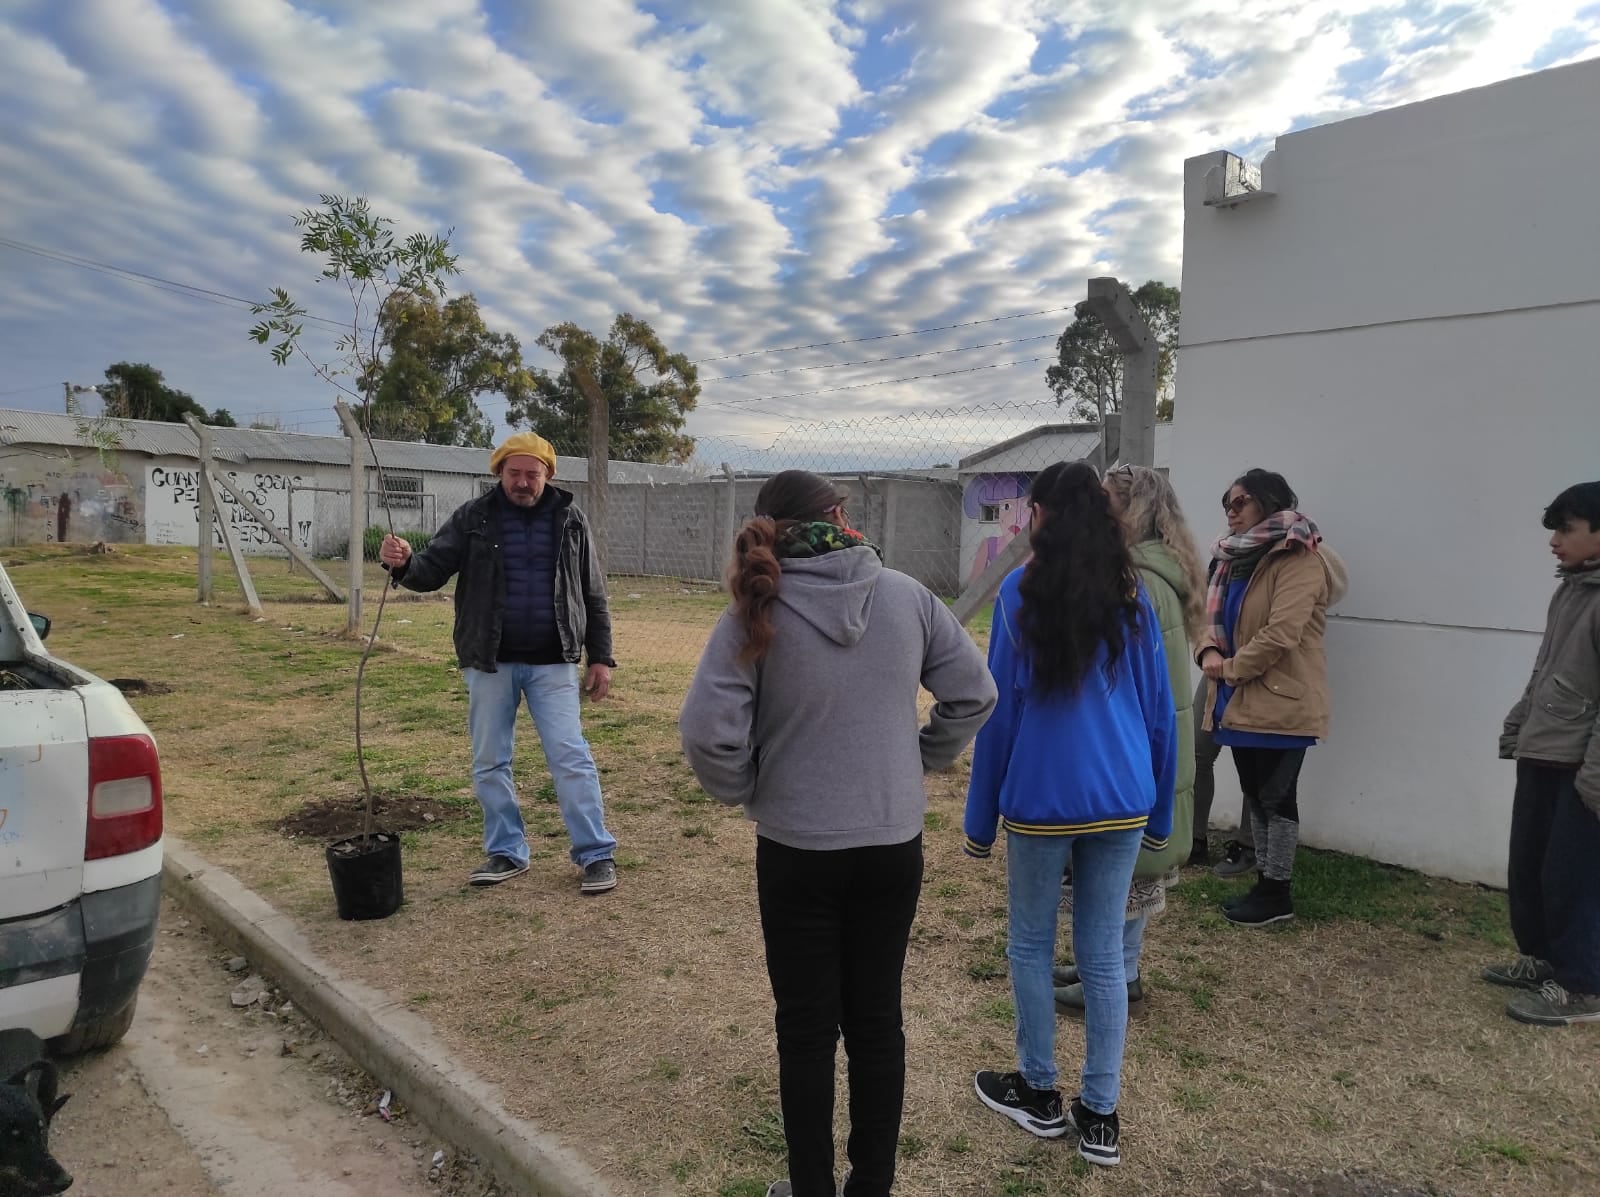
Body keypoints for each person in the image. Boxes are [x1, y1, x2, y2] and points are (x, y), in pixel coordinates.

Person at [679, 471, 996, 1197]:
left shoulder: (753, 607)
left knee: (807, 1030)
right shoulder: (908, 596)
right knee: (878, 1020)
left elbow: (705, 732)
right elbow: (975, 691)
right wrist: (922, 758)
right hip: (892, 846)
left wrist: (745, 788)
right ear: (841, 516)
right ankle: (872, 1188)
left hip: (796, 850)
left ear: (766, 527)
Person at [964, 461, 1177, 1169]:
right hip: (1123, 798)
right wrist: (1161, 812)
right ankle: (1101, 1113)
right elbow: (1159, 715)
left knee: (1029, 943)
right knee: (1103, 955)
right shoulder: (1132, 594)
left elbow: (998, 710)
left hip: (1043, 799)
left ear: (1044, 515)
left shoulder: (1021, 592)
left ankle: (1038, 1088)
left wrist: (979, 817)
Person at [378, 432, 620, 895]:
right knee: (490, 761)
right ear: (499, 474)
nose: (524, 482)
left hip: (555, 663)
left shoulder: (571, 519)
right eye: (515, 473)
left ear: (548, 475)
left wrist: (601, 657)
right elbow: (430, 570)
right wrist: (404, 562)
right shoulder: (474, 517)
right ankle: (506, 850)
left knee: (571, 758)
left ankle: (595, 854)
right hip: (489, 662)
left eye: (533, 474)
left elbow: (593, 592)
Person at [1053, 465, 1205, 1020]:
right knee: (1131, 867)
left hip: (1136, 746)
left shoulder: (1138, 582)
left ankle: (1112, 976)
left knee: (1125, 868)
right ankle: (1118, 968)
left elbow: (1138, 684)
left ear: (1130, 513)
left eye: (1106, 503)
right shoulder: (1161, 573)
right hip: (1149, 744)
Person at [1197, 468, 1346, 927]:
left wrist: (1230, 670)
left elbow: (1283, 632)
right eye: (1227, 501)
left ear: (1269, 502)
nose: (1230, 510)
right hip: (1237, 696)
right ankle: (1265, 882)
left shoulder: (1298, 555)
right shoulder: (1228, 559)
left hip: (1280, 698)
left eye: (1241, 501)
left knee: (1277, 797)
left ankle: (1276, 891)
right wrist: (1207, 653)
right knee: (1255, 794)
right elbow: (1208, 617)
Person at [1489, 480, 1600, 1026]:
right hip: (1544, 751)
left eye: (1566, 529)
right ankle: (1545, 960)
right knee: (1529, 865)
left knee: (1571, 876)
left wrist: (1595, 779)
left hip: (1581, 767)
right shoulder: (1572, 588)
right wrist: (1519, 724)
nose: (1554, 541)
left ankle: (1583, 984)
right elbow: (1547, 672)